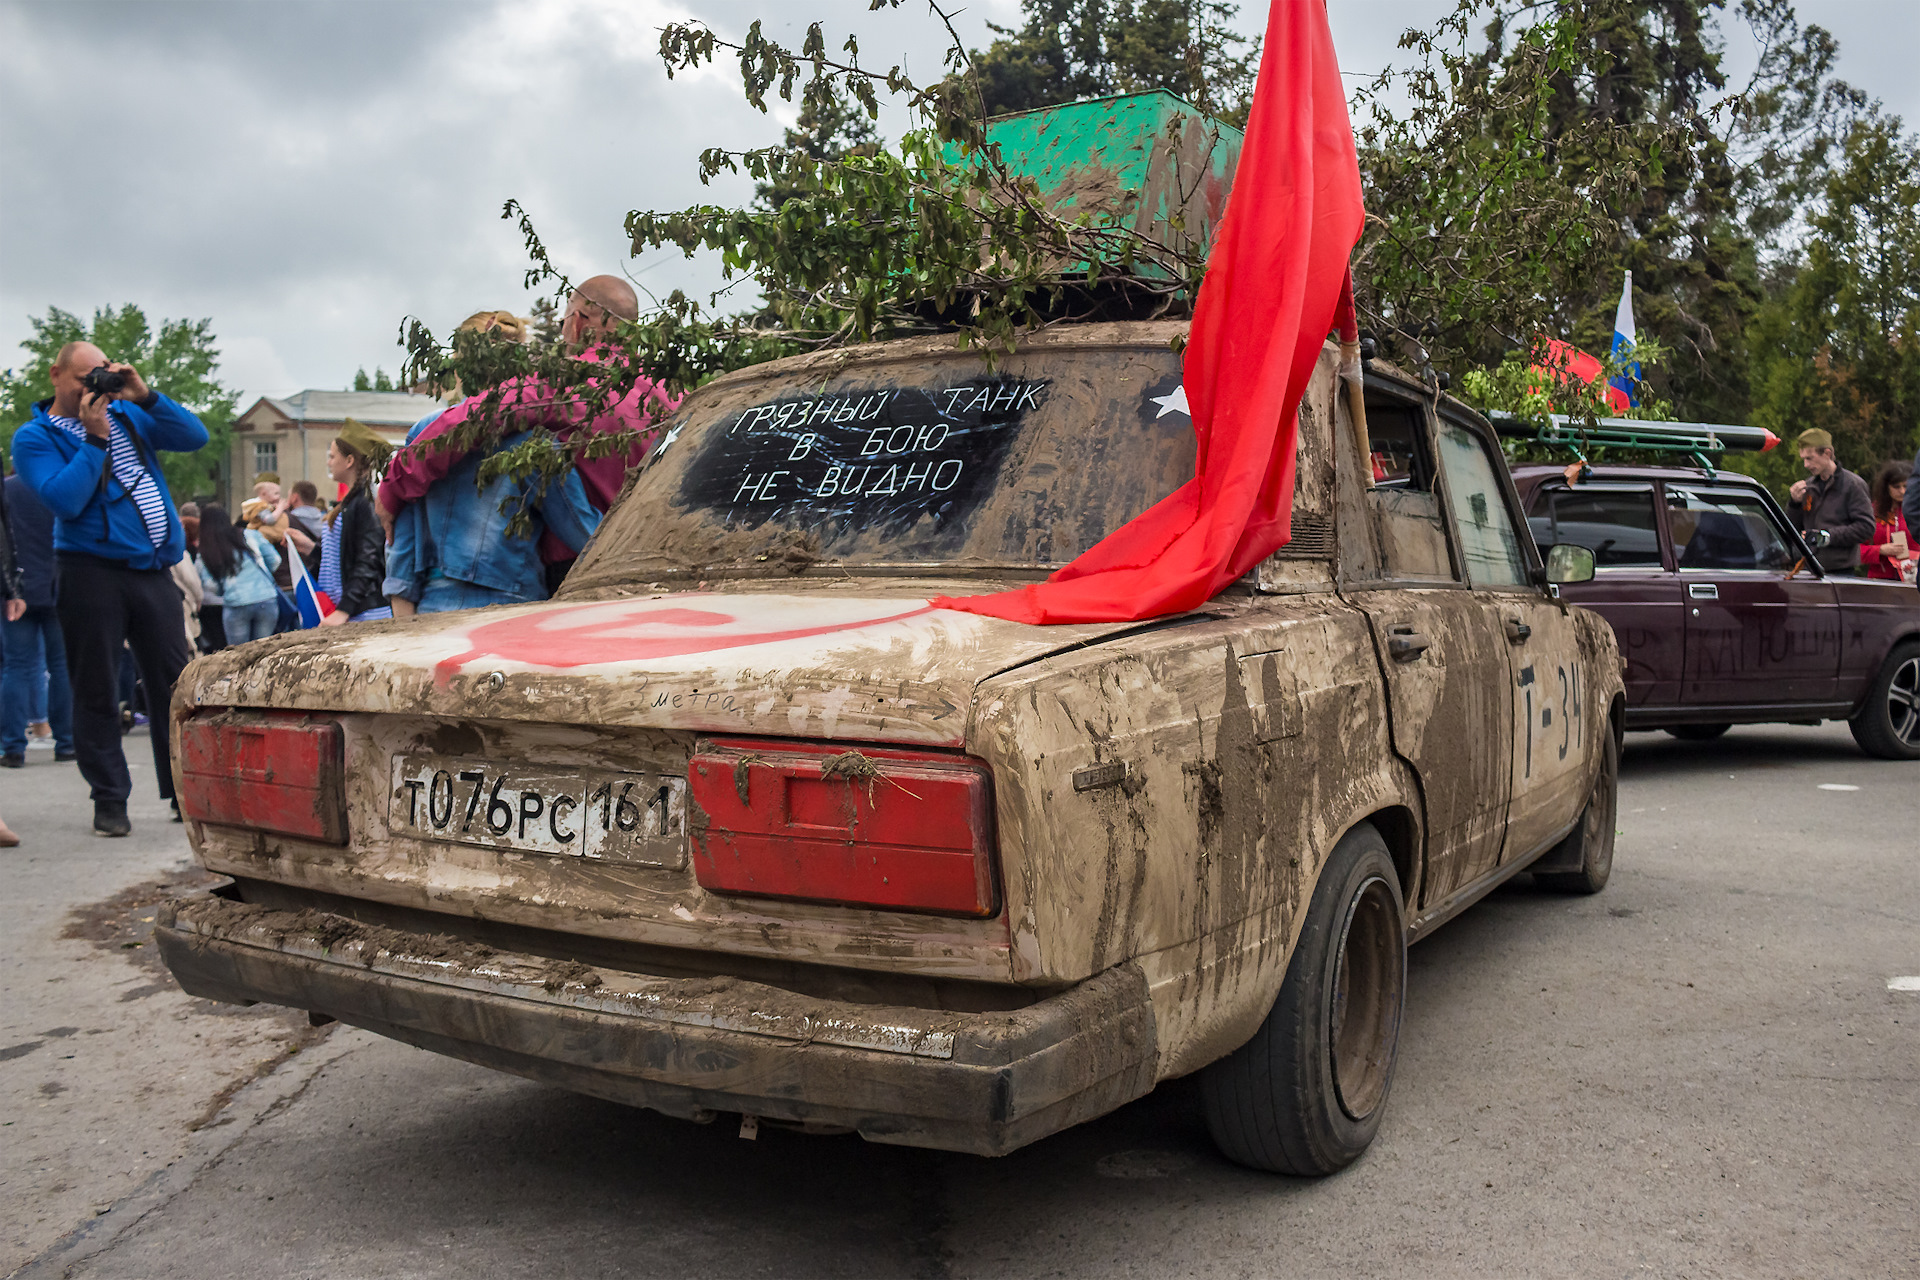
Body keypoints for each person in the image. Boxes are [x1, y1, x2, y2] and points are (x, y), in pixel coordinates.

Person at [9, 341, 208, 837]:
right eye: (84, 379)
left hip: (152, 573)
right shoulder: (35, 437)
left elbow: (195, 436)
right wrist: (94, 440)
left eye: (103, 376)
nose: (94, 388)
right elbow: (63, 500)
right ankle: (110, 799)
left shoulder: (130, 414)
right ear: (56, 375)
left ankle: (184, 794)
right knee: (95, 686)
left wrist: (144, 396)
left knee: (175, 685)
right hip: (88, 572)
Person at [378, 277, 681, 588]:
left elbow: (471, 420)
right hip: (668, 561)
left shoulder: (564, 383)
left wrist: (392, 487)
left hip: (580, 571)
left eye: (565, 321)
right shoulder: (675, 395)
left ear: (577, 322)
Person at [2, 464, 74, 767]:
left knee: (16, 667)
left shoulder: (8, 489)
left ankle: (13, 746)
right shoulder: (58, 488)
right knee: (61, 665)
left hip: (16, 588)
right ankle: (67, 742)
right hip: (57, 583)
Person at [317, 420, 393, 625]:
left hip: (363, 613)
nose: (329, 462)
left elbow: (368, 559)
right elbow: (342, 556)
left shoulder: (365, 502)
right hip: (350, 611)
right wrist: (309, 548)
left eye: (332, 456)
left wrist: (344, 610)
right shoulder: (352, 502)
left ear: (349, 460)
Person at [1786, 428, 1874, 574]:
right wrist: (1794, 503)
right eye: (1804, 459)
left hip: (1841, 571)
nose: (1806, 465)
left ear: (1827, 453)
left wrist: (1827, 536)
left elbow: (1866, 527)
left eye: (1810, 458)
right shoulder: (1808, 487)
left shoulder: (1853, 485)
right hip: (1809, 568)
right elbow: (1792, 529)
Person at [195, 504, 282, 644]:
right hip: (266, 598)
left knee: (239, 656)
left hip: (236, 602)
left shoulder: (207, 549)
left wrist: (223, 589)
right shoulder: (249, 535)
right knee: (264, 651)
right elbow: (275, 560)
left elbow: (209, 585)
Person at [1862, 461, 1914, 583]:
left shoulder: (1915, 511)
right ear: (1886, 487)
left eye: (1906, 486)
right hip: (1880, 580)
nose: (1902, 491)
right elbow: (1856, 550)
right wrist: (1879, 550)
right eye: (1897, 487)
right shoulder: (1872, 512)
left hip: (1914, 580)